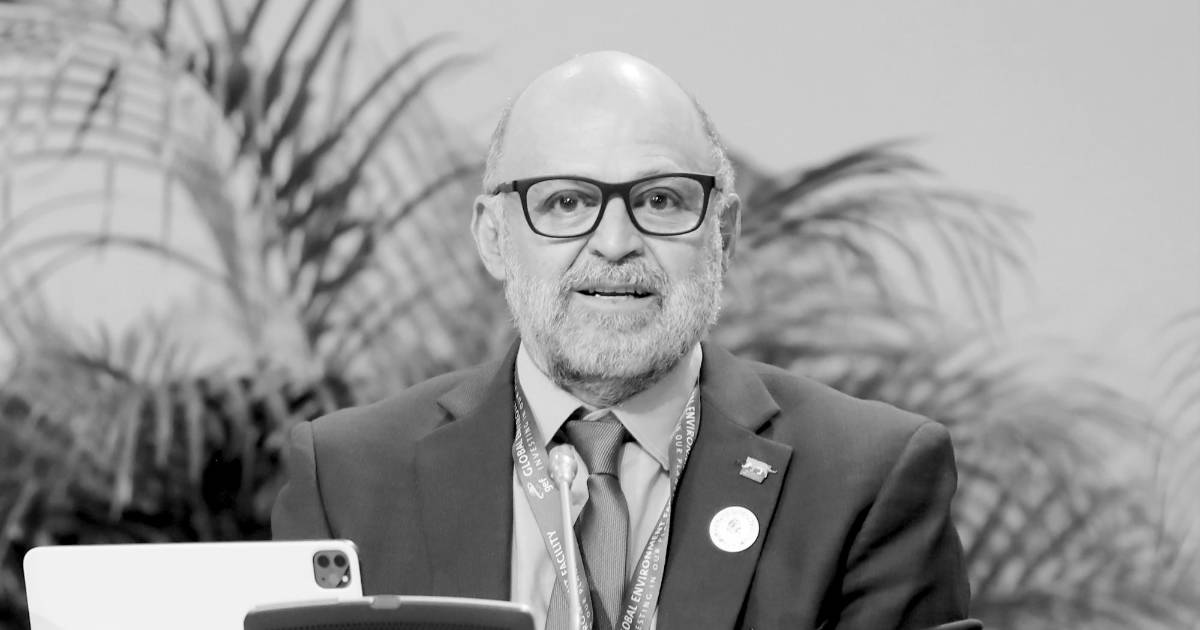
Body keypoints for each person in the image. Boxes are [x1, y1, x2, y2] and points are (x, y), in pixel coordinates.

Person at [272, 50, 970, 629]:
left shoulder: (867, 478)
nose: (613, 242)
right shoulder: (347, 477)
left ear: (723, 235)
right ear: (493, 237)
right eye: (566, 202)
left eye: (660, 200)